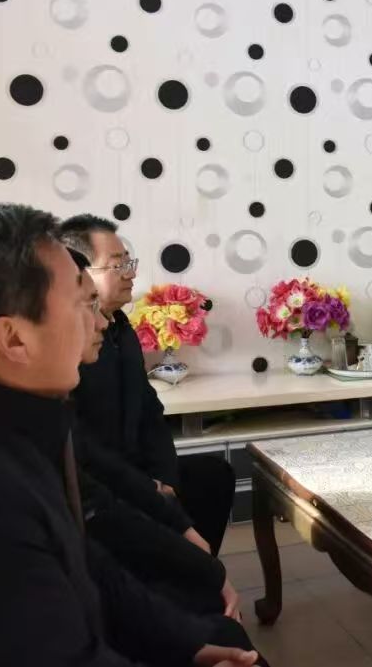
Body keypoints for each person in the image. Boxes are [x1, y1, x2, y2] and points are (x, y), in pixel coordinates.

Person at [0, 203, 259, 666]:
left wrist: (188, 644)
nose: (100, 322)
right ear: (14, 339)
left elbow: (84, 561)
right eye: (81, 305)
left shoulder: (2, 420)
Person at [67, 248, 243, 622]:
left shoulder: (122, 330)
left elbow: (151, 412)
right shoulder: (64, 371)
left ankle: (193, 582)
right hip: (112, 484)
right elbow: (90, 457)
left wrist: (165, 478)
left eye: (130, 262)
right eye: (118, 264)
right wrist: (151, 489)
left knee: (212, 476)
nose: (130, 273)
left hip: (135, 473)